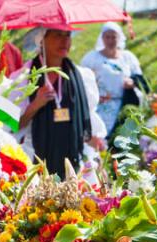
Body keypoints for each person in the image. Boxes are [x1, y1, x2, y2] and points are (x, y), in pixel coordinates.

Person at [14, 27, 106, 180]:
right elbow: (13, 126)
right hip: (34, 163)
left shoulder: (81, 76)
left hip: (75, 163)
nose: (65, 41)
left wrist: (95, 143)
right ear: (42, 40)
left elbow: (85, 123)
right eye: (58, 35)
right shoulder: (23, 78)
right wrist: (36, 104)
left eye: (68, 35)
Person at [81, 22, 146, 137]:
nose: (111, 40)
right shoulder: (92, 58)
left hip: (123, 104)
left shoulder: (127, 57)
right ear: (102, 38)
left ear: (119, 38)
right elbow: (83, 80)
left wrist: (132, 82)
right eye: (107, 37)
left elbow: (140, 79)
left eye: (114, 37)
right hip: (101, 106)